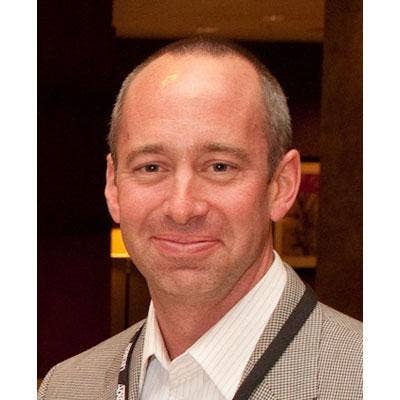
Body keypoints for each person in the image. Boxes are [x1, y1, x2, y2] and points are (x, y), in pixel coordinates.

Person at [39, 37, 362, 400]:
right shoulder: (65, 387)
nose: (182, 208)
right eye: (151, 167)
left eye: (219, 167)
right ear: (113, 187)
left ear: (281, 185)